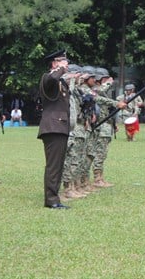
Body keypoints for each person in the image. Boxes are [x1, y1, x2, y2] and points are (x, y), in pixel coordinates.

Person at [37, 50, 71, 209]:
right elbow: (52, 78)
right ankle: (51, 200)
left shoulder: (60, 81)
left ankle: (54, 197)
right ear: (54, 63)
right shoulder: (47, 77)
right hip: (53, 126)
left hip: (60, 126)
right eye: (62, 61)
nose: (67, 63)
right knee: (53, 165)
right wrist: (61, 69)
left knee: (58, 165)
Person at [90, 67, 126, 188]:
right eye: (105, 79)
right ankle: (97, 178)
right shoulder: (94, 90)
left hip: (106, 124)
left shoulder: (102, 91)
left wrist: (113, 125)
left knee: (103, 153)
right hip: (99, 126)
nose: (108, 81)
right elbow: (99, 94)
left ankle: (100, 177)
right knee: (99, 152)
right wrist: (109, 83)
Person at [60, 64, 88, 200]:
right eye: (78, 75)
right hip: (67, 129)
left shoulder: (77, 90)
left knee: (74, 159)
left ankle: (72, 186)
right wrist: (71, 78)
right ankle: (67, 188)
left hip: (75, 127)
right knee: (67, 160)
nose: (80, 78)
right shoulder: (64, 86)